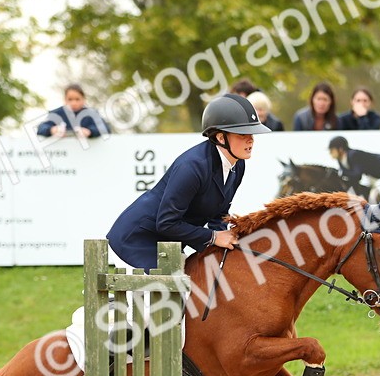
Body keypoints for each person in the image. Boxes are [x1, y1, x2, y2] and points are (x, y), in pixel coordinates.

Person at [107, 92, 270, 271]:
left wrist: (227, 238)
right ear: (220, 137)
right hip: (136, 242)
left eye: (252, 134)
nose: (251, 140)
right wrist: (214, 237)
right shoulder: (192, 167)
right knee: (177, 295)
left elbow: (219, 214)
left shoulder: (238, 166)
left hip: (166, 243)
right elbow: (166, 222)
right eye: (242, 134)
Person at [328, 136, 380, 200]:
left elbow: (357, 175)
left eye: (332, 150)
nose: (330, 153)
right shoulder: (340, 160)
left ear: (340, 149)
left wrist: (342, 173)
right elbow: (351, 178)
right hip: (373, 175)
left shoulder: (353, 155)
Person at [36, 83, 108, 139]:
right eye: (70, 99)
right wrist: (51, 130)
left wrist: (90, 132)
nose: (74, 103)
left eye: (77, 99)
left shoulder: (92, 114)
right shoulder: (56, 114)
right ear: (64, 99)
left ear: (83, 99)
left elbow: (105, 128)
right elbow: (41, 128)